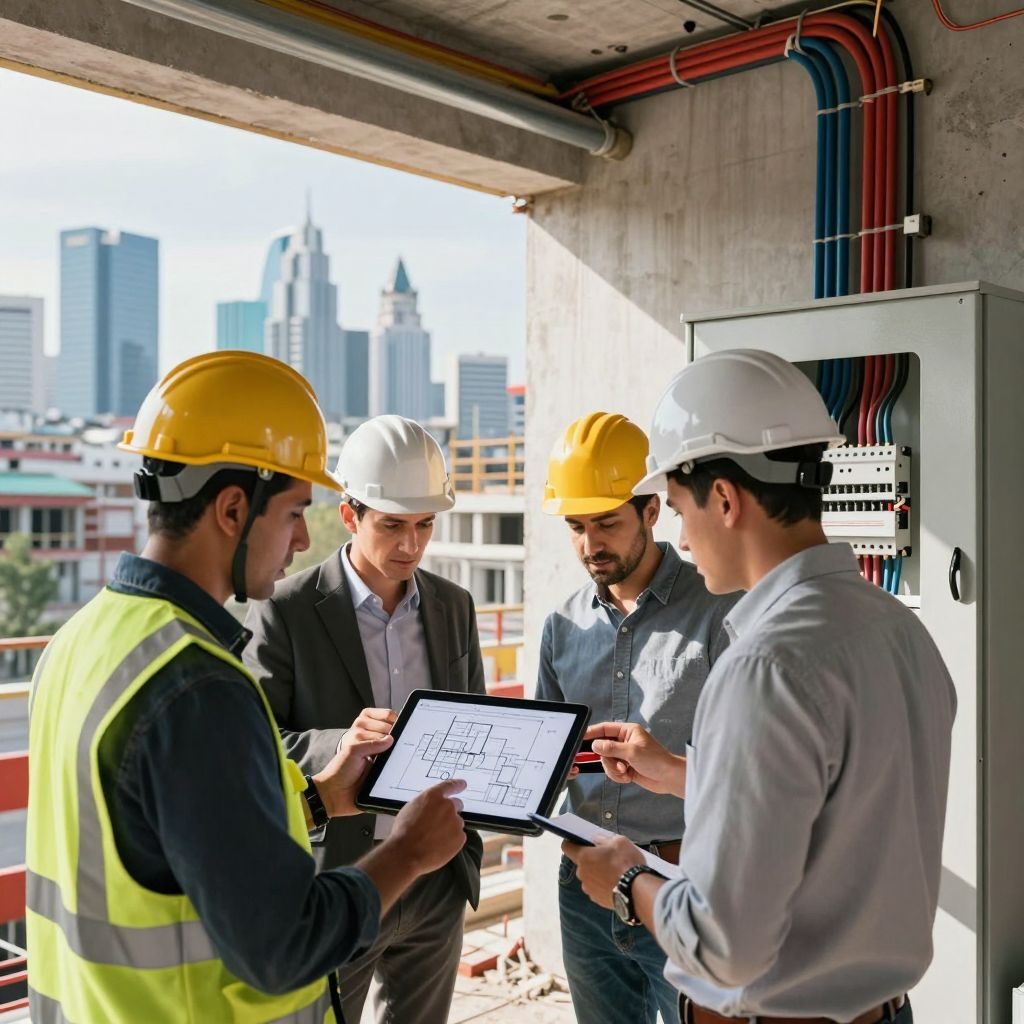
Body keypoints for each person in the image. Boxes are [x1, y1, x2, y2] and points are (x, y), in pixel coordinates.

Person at [25, 352, 468, 1023]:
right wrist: (407, 851)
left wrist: (317, 801)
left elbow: (172, 840)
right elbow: (286, 944)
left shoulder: (81, 641)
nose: (297, 542)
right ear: (233, 509)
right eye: (293, 513)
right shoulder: (194, 685)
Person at [564, 350, 956, 1024]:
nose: (682, 538)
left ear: (723, 498)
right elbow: (833, 809)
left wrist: (628, 879)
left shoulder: (763, 666)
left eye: (681, 509)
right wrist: (684, 773)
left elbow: (724, 947)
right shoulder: (898, 631)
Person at [244, 414, 485, 1024]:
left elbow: (478, 718)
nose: (412, 544)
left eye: (425, 524)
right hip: (342, 878)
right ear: (350, 516)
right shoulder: (285, 610)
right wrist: (338, 746)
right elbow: (257, 743)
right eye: (394, 525)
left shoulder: (454, 605)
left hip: (436, 877)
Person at [537, 411, 737, 1024]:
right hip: (585, 887)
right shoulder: (561, 626)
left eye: (606, 524)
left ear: (651, 511)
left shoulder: (718, 611)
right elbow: (542, 757)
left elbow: (742, 772)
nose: (590, 544)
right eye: (576, 526)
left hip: (683, 883)